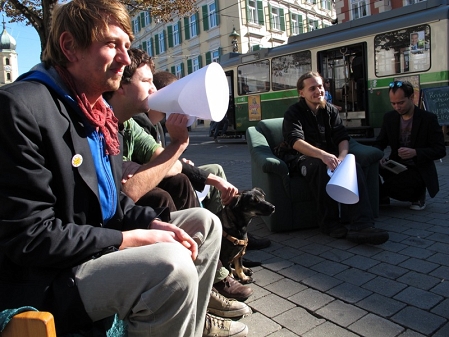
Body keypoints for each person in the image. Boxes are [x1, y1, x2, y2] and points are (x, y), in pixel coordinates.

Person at [0, 1, 239, 337]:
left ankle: (189, 327)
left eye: (127, 46)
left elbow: (112, 199)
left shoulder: (98, 110)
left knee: (205, 223)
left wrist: (150, 222)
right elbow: (31, 237)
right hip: (52, 277)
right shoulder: (21, 107)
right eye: (112, 45)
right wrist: (127, 239)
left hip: (94, 246)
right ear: (69, 47)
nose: (126, 59)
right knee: (171, 268)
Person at [103, 49, 251, 335]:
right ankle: (191, 297)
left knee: (180, 184)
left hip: (129, 209)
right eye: (147, 81)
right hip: (112, 225)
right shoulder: (106, 123)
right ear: (122, 84)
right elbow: (129, 191)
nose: (154, 89)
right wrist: (176, 148)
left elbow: (171, 167)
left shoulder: (132, 125)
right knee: (161, 197)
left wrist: (167, 154)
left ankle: (206, 292)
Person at [281, 71, 389, 245]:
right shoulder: (293, 112)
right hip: (302, 159)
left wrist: (342, 158)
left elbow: (342, 137)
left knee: (353, 166)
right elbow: (295, 141)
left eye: (321, 86)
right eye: (312, 88)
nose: (318, 91)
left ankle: (363, 225)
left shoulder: (330, 110)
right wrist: (323, 156)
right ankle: (329, 223)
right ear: (301, 93)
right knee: (318, 166)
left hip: (329, 156)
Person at [375, 80, 446, 210]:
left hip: (418, 169)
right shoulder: (390, 118)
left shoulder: (428, 119)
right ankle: (383, 196)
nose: (397, 107)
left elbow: (440, 150)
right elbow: (380, 142)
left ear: (412, 97)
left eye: (401, 102)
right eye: (393, 103)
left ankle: (417, 195)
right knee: (369, 165)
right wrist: (378, 155)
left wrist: (416, 152)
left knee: (388, 189)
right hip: (395, 165)